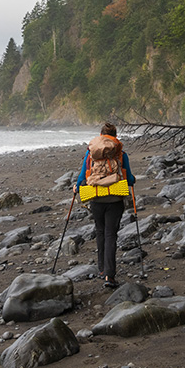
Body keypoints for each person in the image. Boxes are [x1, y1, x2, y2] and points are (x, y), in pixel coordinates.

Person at [74, 122, 135, 289]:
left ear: (101, 136)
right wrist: (133, 180)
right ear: (115, 137)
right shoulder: (120, 153)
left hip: (95, 198)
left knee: (100, 232)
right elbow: (129, 178)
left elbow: (83, 176)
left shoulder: (91, 153)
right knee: (110, 235)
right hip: (115, 199)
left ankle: (101, 269)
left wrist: (77, 187)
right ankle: (109, 275)